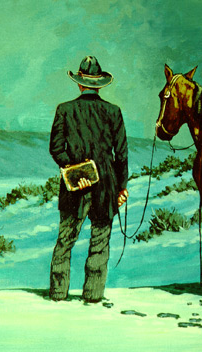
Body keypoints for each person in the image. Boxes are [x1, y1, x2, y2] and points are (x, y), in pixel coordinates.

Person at [49, 55, 129, 303]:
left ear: (79, 83)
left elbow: (56, 149)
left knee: (65, 242)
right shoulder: (114, 111)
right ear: (99, 85)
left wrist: (75, 170)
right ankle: (93, 297)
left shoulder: (64, 109)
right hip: (106, 185)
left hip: (74, 185)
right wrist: (122, 188)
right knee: (100, 243)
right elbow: (121, 155)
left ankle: (58, 295)